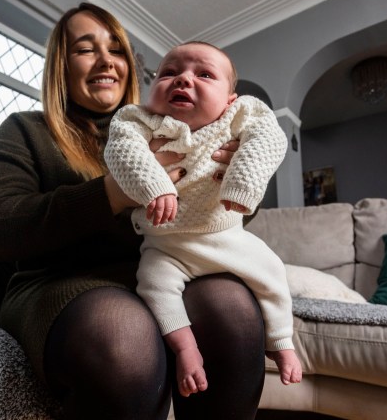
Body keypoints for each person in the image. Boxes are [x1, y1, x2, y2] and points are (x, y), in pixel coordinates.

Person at [0, 3, 268, 420]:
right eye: (85, 49)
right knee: (122, 338)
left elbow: (227, 221)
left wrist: (231, 177)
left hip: (161, 271)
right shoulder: (25, 130)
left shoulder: (178, 125)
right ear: (61, 65)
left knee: (231, 306)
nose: (106, 60)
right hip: (58, 283)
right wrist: (112, 192)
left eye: (116, 49)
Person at [104, 41, 302, 397]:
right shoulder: (136, 120)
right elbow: (123, 151)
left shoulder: (242, 114)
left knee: (272, 272)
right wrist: (154, 185)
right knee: (153, 284)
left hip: (225, 235)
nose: (182, 80)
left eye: (204, 74)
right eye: (169, 73)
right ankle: (185, 348)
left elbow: (268, 139)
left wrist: (242, 183)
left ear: (230, 98)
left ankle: (281, 339)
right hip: (165, 245)